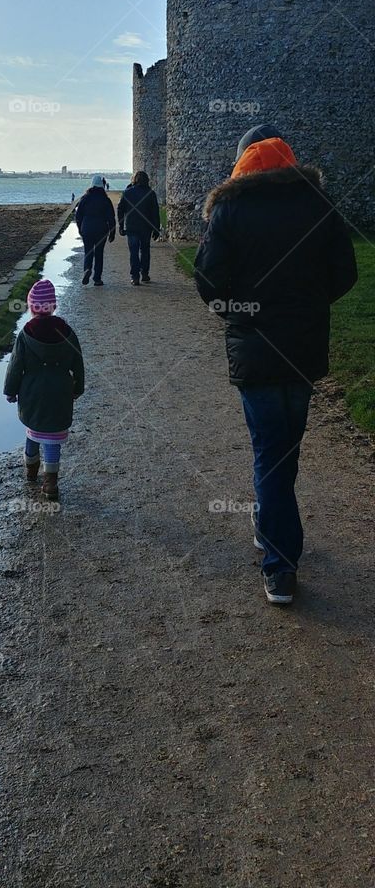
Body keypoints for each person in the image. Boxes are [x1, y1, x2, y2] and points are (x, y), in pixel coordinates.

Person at [194, 123, 357, 606]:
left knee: (270, 452)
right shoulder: (316, 203)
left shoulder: (229, 207)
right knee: (284, 449)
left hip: (257, 351)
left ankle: (279, 564)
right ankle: (272, 526)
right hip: (302, 350)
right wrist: (309, 306)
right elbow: (344, 274)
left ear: (243, 161)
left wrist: (237, 312)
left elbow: (208, 280)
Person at [4, 278, 85, 500]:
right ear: (53, 306)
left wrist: (10, 390)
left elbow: (15, 364)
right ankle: (51, 482)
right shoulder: (66, 331)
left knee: (33, 429)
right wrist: (78, 386)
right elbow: (77, 361)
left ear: (31, 307)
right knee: (52, 436)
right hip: (60, 391)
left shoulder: (26, 333)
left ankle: (31, 470)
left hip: (32, 392)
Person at [117, 171, 161, 285]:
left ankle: (135, 276)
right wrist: (156, 229)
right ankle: (145, 274)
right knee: (145, 250)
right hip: (146, 227)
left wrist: (121, 225)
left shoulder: (127, 193)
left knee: (134, 252)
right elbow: (155, 213)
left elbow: (120, 209)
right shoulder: (150, 193)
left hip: (132, 227)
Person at [75, 174, 116, 286]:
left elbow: (78, 216)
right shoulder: (105, 200)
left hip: (87, 228)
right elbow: (111, 218)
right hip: (101, 229)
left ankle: (87, 269)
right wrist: (112, 232)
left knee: (88, 251)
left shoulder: (85, 198)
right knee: (99, 253)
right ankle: (97, 278)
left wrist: (80, 228)